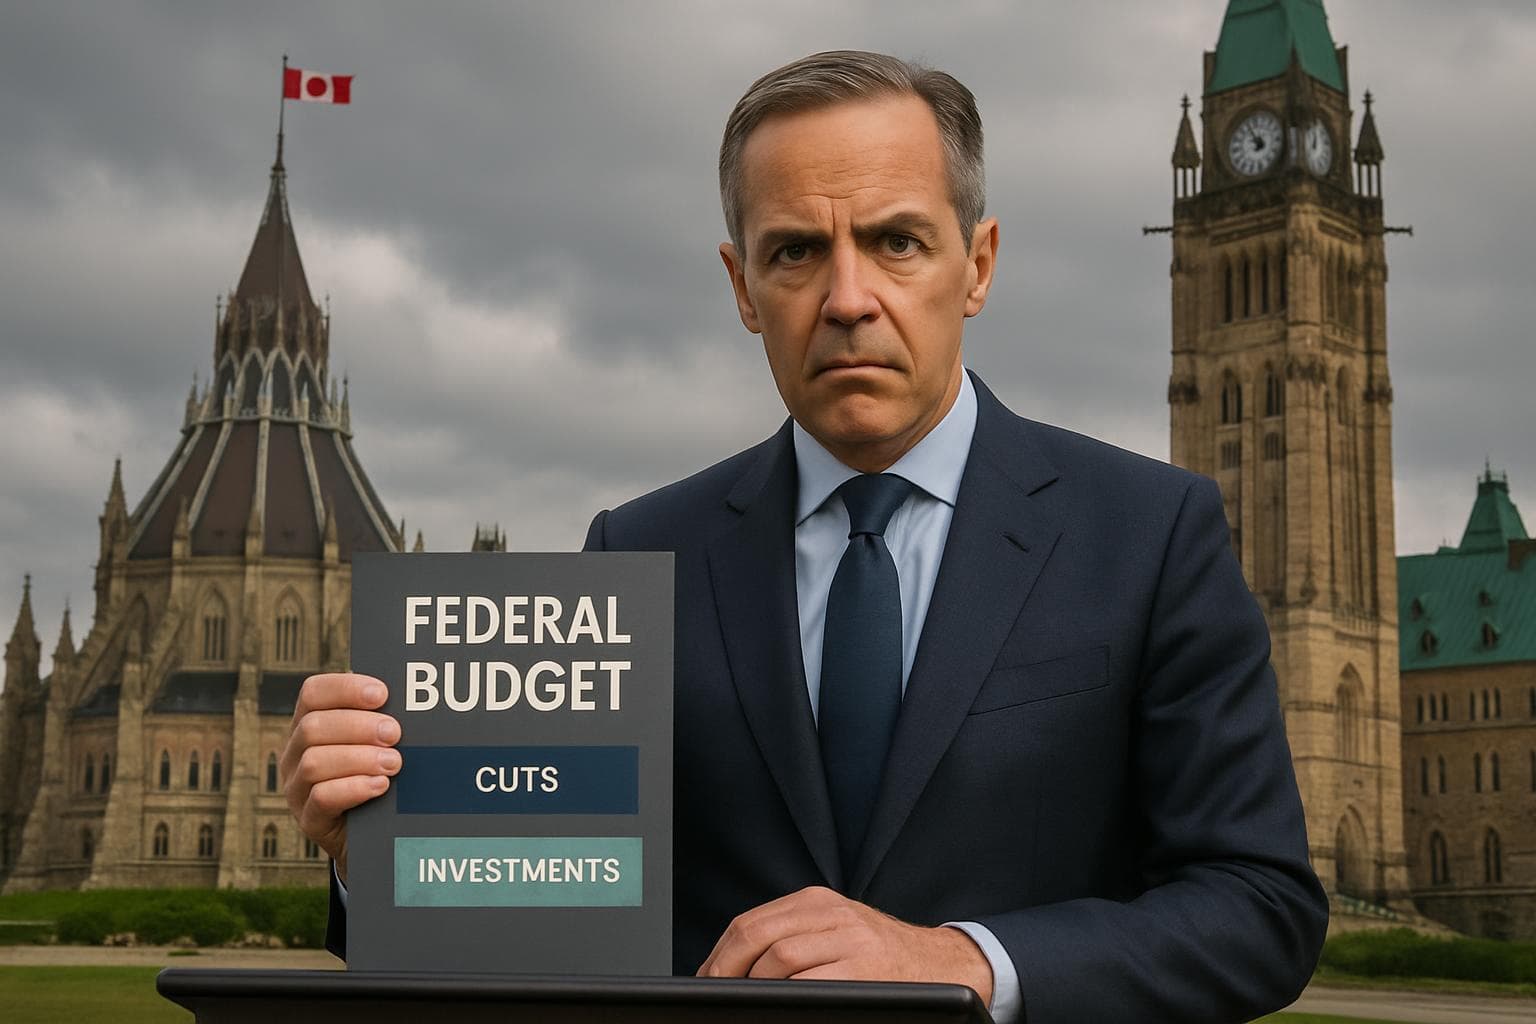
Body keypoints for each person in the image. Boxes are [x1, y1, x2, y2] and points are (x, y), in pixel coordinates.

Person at [283, 50, 1327, 1023]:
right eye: (796, 252)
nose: (847, 298)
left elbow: (1260, 905)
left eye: (895, 241)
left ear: (979, 263)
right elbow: (548, 928)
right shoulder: (637, 553)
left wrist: (966, 960)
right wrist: (378, 852)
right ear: (744, 287)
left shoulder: (1151, 536)